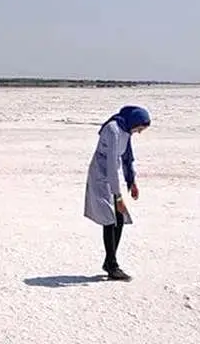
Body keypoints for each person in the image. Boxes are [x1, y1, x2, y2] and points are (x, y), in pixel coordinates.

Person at [83, 104, 151, 281]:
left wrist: (132, 182)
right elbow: (112, 163)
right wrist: (118, 195)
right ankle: (112, 266)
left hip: (110, 178)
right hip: (100, 176)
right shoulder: (113, 130)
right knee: (110, 220)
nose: (139, 132)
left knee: (118, 218)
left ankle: (110, 261)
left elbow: (127, 157)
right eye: (140, 128)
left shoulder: (125, 130)